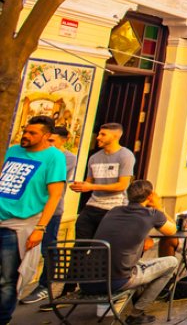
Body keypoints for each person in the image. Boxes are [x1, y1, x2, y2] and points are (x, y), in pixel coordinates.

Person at [0, 116, 66, 325]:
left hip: (19, 225)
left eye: (32, 133)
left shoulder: (54, 157)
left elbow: (55, 195)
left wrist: (40, 228)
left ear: (47, 136)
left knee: (7, 279)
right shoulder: (13, 151)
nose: (26, 136)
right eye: (25, 131)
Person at [93, 180, 178, 324]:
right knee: (172, 262)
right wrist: (159, 207)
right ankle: (136, 313)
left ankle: (136, 297)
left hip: (89, 280)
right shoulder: (152, 214)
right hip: (117, 280)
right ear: (150, 196)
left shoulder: (113, 211)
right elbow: (172, 230)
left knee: (138, 262)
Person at [20, 125, 78, 306]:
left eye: (52, 140)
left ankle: (45, 285)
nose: (48, 144)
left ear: (64, 140)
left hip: (51, 210)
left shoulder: (66, 158)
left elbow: (42, 175)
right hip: (27, 209)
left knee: (48, 248)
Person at [72, 123, 136, 242]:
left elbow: (122, 186)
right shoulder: (94, 158)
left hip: (114, 207)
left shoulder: (126, 156)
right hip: (92, 205)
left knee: (102, 246)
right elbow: (89, 182)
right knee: (80, 243)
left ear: (116, 136)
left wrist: (92, 186)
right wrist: (80, 186)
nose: (98, 137)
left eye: (103, 134)